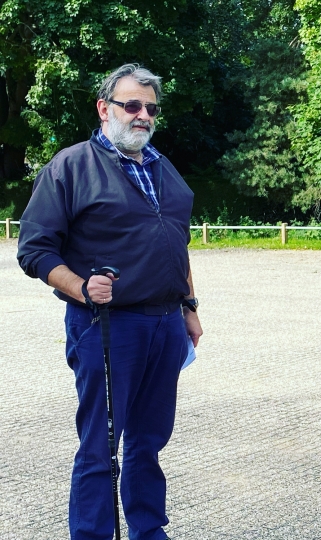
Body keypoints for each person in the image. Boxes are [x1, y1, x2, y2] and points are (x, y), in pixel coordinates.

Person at [17, 64, 202, 540]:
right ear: (105, 109)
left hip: (165, 324)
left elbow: (176, 242)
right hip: (106, 326)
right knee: (101, 446)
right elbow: (35, 249)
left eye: (151, 108)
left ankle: (147, 530)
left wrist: (190, 305)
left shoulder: (163, 166)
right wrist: (80, 287)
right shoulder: (72, 165)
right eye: (132, 105)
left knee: (148, 441)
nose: (142, 115)